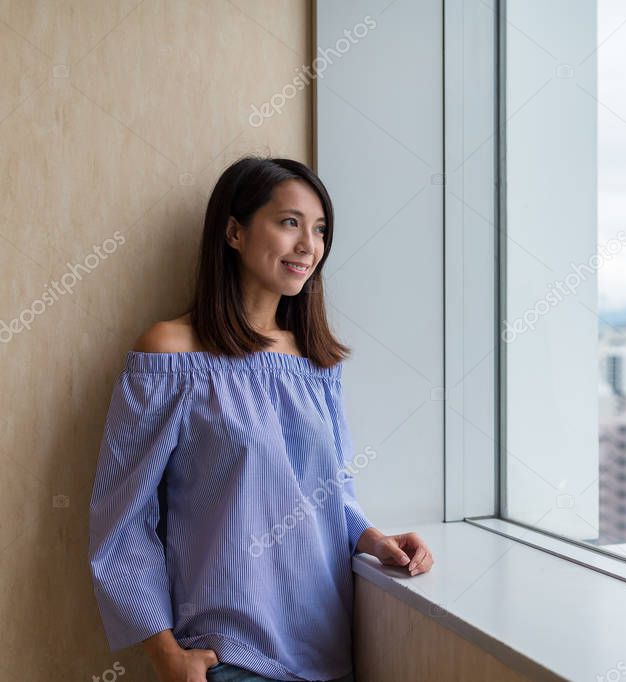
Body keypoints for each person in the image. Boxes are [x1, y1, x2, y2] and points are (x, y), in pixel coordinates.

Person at [88, 156, 434, 682]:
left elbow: (330, 493)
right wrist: (167, 657)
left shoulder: (317, 364)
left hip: (329, 655)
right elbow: (123, 520)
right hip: (229, 659)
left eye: (319, 230)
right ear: (233, 231)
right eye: (289, 222)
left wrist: (373, 539)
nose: (308, 246)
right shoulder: (169, 355)